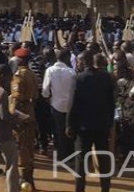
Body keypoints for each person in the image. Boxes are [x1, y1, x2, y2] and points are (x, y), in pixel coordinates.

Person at [67, 52, 115, 192]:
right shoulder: (106, 78)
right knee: (103, 161)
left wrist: (69, 124)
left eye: (79, 61)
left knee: (81, 163)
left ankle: (79, 189)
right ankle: (105, 189)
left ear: (84, 62)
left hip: (83, 127)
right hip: (102, 126)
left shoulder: (78, 78)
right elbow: (111, 103)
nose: (78, 63)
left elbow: (73, 103)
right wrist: (109, 122)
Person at [0, 64, 30, 192]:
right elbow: (5, 117)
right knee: (11, 167)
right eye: (9, 78)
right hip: (5, 136)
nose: (10, 81)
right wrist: (21, 119)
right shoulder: (1, 92)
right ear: (2, 76)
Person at [9, 46, 39, 186]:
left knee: (21, 147)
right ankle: (30, 178)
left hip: (20, 112)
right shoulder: (32, 74)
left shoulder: (18, 75)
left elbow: (15, 97)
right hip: (30, 110)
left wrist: (12, 114)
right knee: (29, 145)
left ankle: (24, 179)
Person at [42, 48, 76, 163]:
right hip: (70, 106)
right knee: (69, 129)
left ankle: (62, 154)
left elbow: (45, 89)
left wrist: (48, 98)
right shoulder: (71, 72)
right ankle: (71, 154)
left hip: (56, 104)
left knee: (58, 130)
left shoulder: (50, 70)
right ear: (67, 58)